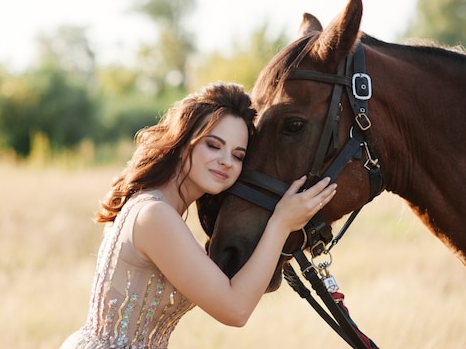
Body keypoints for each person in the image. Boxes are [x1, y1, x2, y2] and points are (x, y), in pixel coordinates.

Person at [59, 82, 337, 349]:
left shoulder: (158, 208)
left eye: (238, 155)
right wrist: (281, 223)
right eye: (214, 145)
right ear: (182, 142)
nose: (227, 161)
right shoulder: (153, 215)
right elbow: (235, 310)